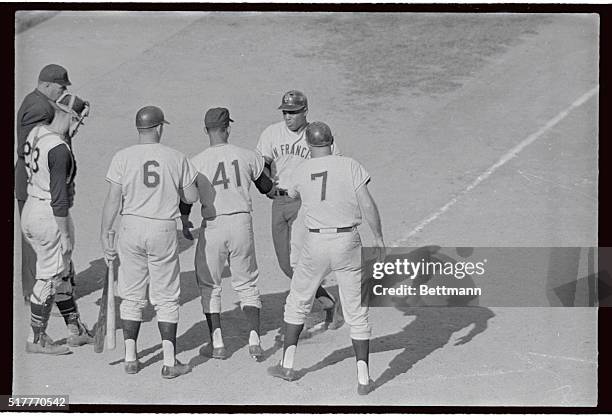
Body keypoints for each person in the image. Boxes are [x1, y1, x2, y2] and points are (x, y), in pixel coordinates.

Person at [267, 121, 385, 395]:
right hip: (347, 240)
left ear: (308, 146)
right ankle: (364, 379)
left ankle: (287, 364)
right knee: (356, 309)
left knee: (297, 301)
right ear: (332, 141)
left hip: (316, 242)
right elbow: (366, 203)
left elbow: (291, 193)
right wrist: (378, 237)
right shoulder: (350, 164)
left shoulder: (301, 169)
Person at [100, 106, 199, 379]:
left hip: (130, 226)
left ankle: (131, 359)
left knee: (131, 294)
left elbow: (112, 200)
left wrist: (105, 232)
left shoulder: (122, 156)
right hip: (162, 227)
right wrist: (175, 185)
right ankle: (169, 362)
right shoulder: (175, 156)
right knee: (166, 296)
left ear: (138, 128)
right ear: (158, 128)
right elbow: (191, 197)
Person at [180, 108, 275, 361]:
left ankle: (218, 344)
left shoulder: (195, 161)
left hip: (213, 225)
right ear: (228, 128)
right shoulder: (246, 155)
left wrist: (184, 218)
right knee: (246, 283)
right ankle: (255, 339)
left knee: (210, 285)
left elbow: (187, 199)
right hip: (242, 222)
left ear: (205, 130)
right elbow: (267, 187)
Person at [256, 90, 343, 328]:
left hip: (304, 204)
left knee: (297, 262)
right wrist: (266, 187)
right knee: (286, 265)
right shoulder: (271, 133)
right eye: (285, 112)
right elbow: (261, 165)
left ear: (305, 111)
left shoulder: (316, 135)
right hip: (279, 202)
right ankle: (327, 302)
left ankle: (301, 316)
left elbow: (334, 165)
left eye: (293, 112)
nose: (288, 117)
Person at [21, 92, 93, 355]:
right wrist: (64, 234)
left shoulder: (37, 132)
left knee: (62, 272)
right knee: (49, 277)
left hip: (31, 208)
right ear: (71, 116)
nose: (79, 127)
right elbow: (60, 198)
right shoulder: (60, 150)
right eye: (78, 121)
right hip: (50, 216)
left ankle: (75, 330)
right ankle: (36, 339)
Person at [16, 64, 72, 303]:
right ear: (46, 84)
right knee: (38, 240)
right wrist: (62, 131)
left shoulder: (40, 102)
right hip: (35, 182)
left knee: (46, 238)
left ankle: (55, 286)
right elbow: (29, 147)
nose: (62, 92)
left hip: (40, 180)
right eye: (60, 87)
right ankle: (34, 292)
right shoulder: (38, 108)